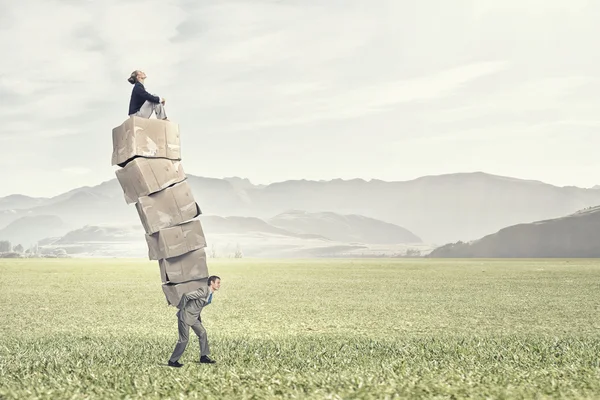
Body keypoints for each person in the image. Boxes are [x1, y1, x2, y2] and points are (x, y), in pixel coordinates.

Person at [168, 275, 221, 367]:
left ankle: (203, 357)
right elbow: (186, 295)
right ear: (212, 283)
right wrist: (181, 307)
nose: (219, 285)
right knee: (184, 339)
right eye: (218, 283)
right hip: (185, 316)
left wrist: (198, 318)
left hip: (194, 317)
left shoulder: (210, 293)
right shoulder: (204, 291)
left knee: (202, 333)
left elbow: (198, 305)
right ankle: (172, 361)